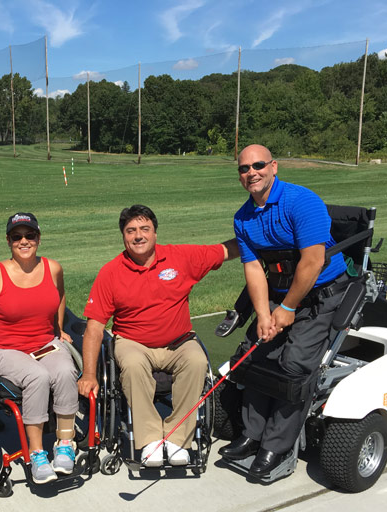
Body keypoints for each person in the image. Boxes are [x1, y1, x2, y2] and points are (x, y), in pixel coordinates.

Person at [219, 144, 350, 478]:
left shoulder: (301, 201)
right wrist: (264, 314)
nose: (251, 173)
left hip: (322, 295)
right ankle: (251, 435)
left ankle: (275, 446)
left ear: (274, 167)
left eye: (258, 165)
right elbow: (253, 270)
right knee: (253, 354)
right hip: (279, 294)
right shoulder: (243, 217)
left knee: (293, 365)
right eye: (244, 168)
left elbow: (313, 260)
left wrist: (288, 308)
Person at [77, 205, 238, 467]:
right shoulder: (110, 272)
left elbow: (225, 250)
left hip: (179, 341)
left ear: (155, 233)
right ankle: (151, 439)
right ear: (123, 236)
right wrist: (89, 374)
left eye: (144, 229)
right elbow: (94, 327)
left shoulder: (181, 257)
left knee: (197, 362)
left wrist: (263, 238)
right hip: (133, 343)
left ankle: (176, 440)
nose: (138, 236)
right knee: (131, 364)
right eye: (131, 231)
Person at [0, 213, 79, 484]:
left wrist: (59, 329)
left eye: (30, 235)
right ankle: (37, 453)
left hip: (44, 343)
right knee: (36, 376)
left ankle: (64, 444)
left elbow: (60, 296)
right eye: (17, 237)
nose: (24, 241)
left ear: (39, 237)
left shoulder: (53, 268)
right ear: (8, 240)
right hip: (4, 350)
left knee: (64, 370)